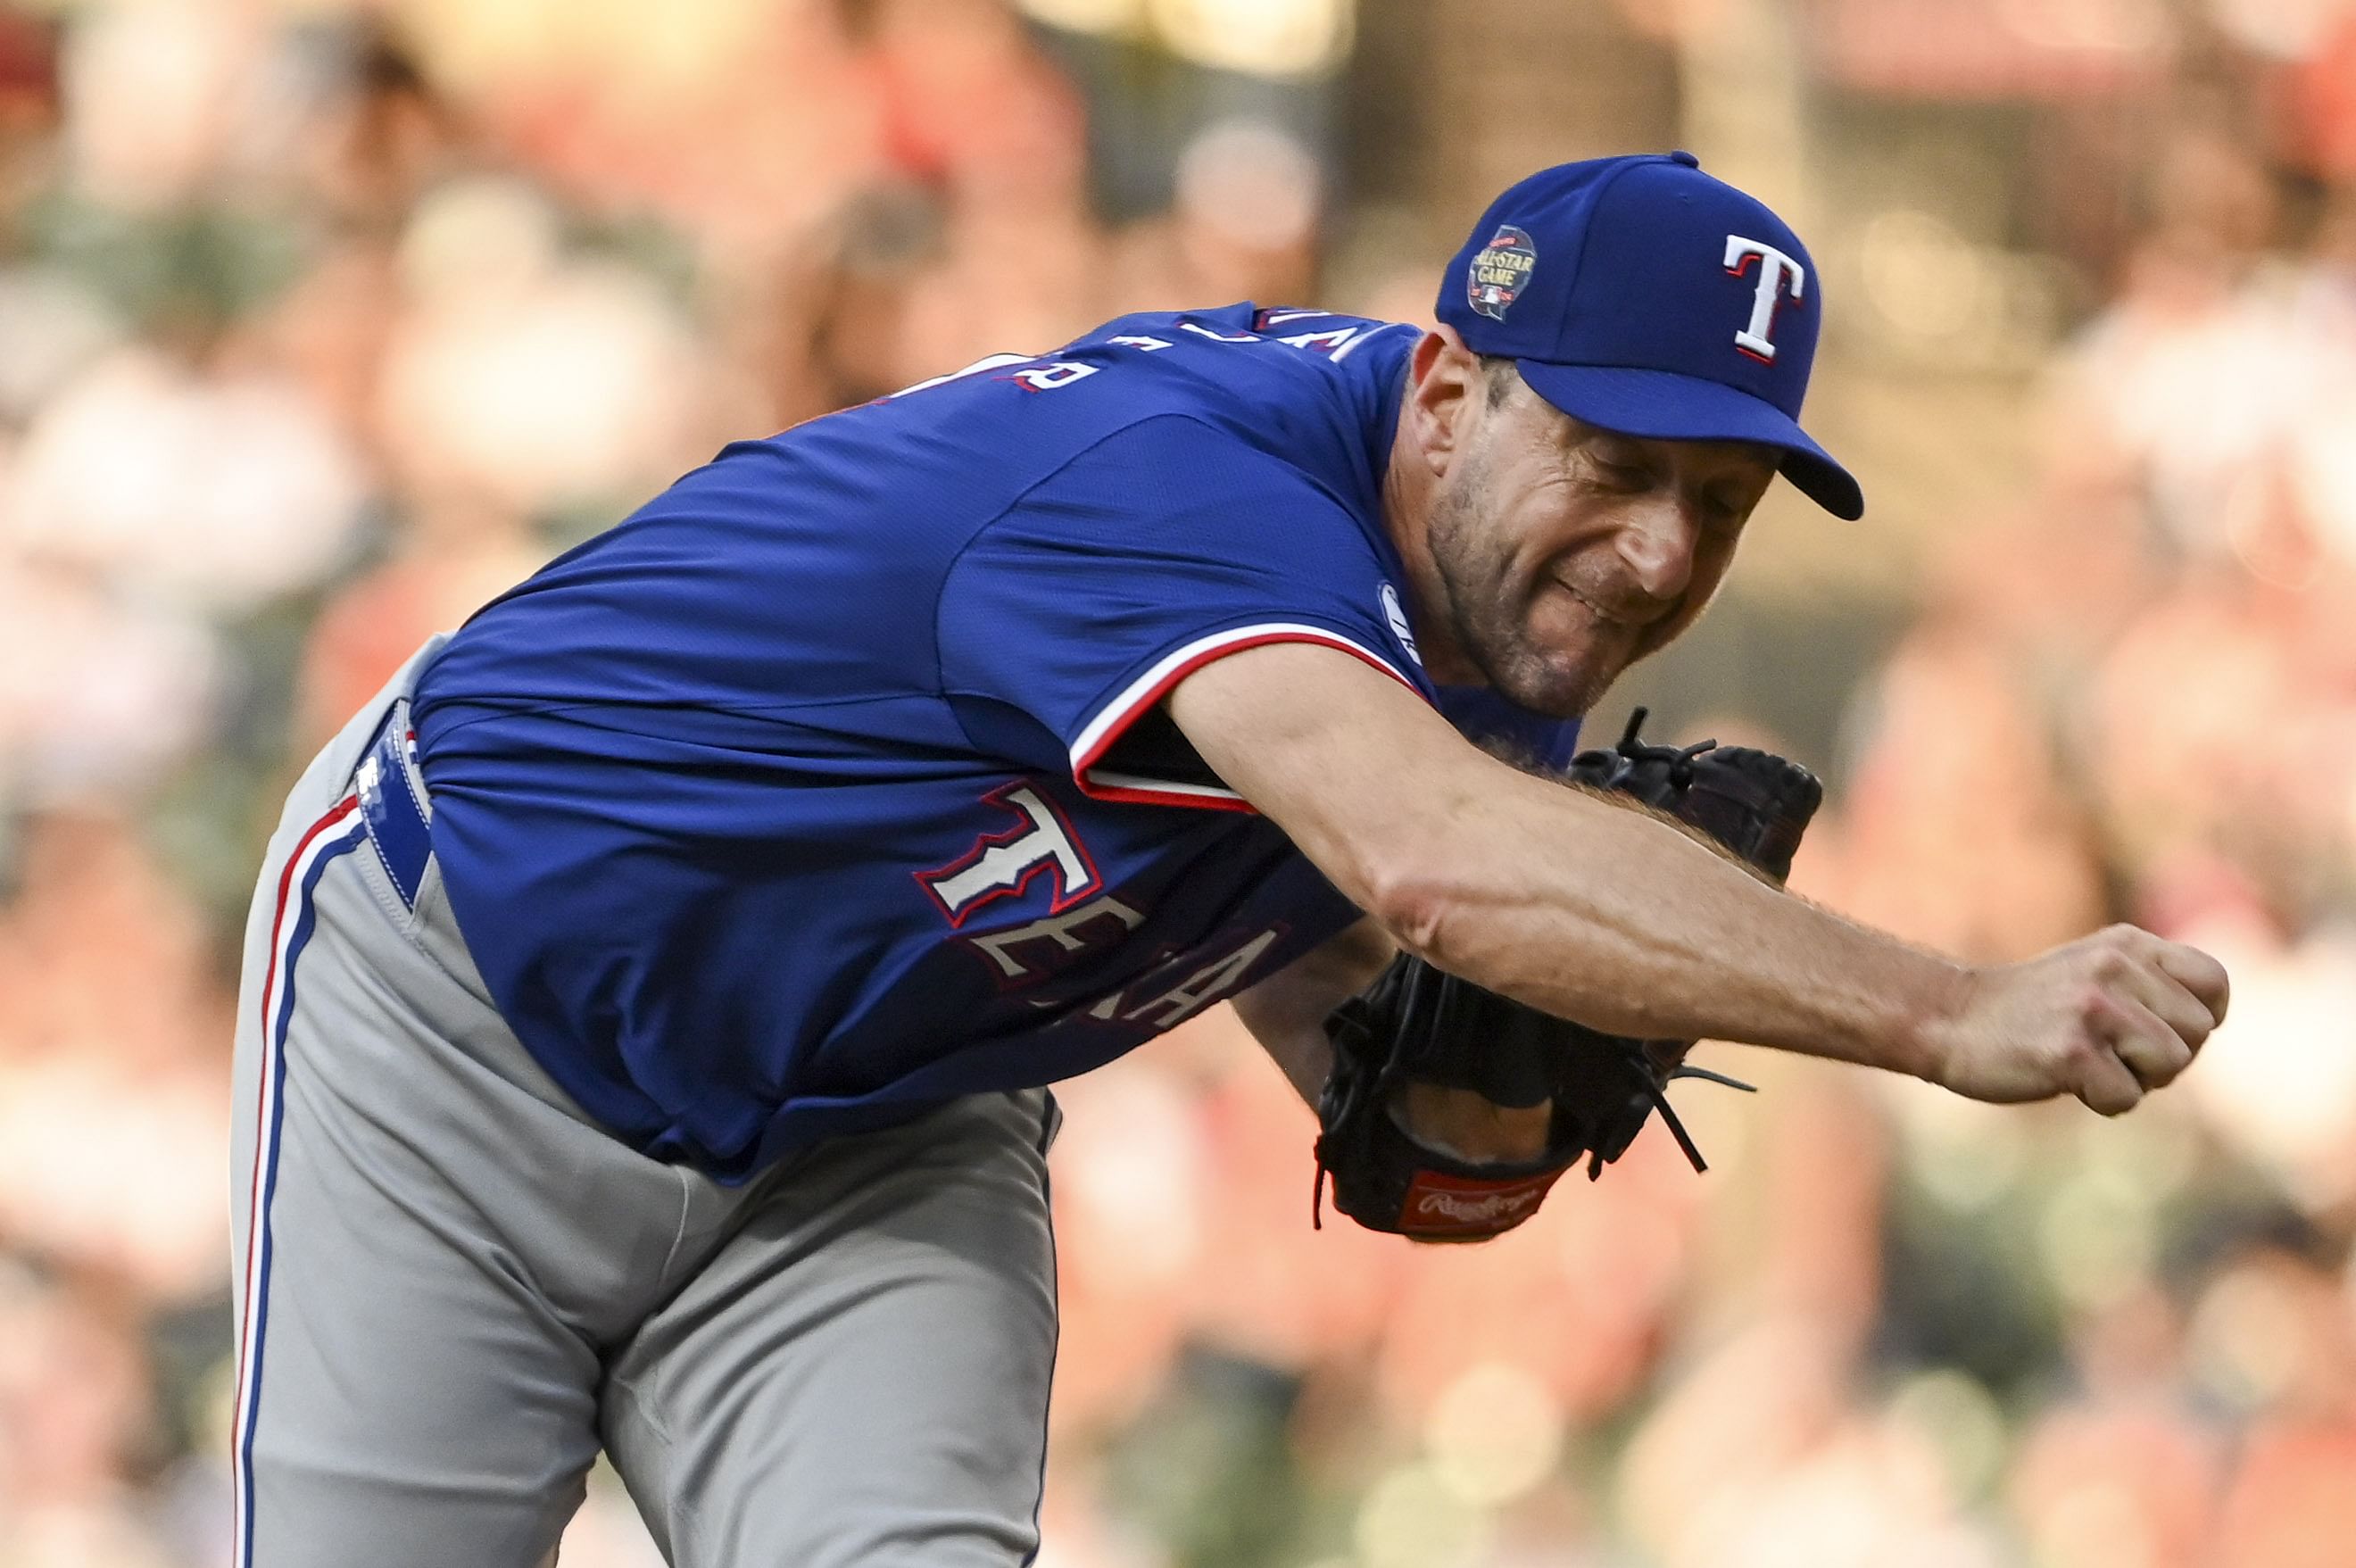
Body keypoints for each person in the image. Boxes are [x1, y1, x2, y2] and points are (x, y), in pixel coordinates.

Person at [228, 153, 2228, 1566]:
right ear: (1447, 390)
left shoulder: (1487, 608)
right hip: (467, 1002)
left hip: (879, 1112)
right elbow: (1435, 853)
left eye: (1723, 503)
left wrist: (1423, 1078)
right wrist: (1952, 1009)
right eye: (1617, 470)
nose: (1662, 558)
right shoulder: (1188, 492)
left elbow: (1357, 964)